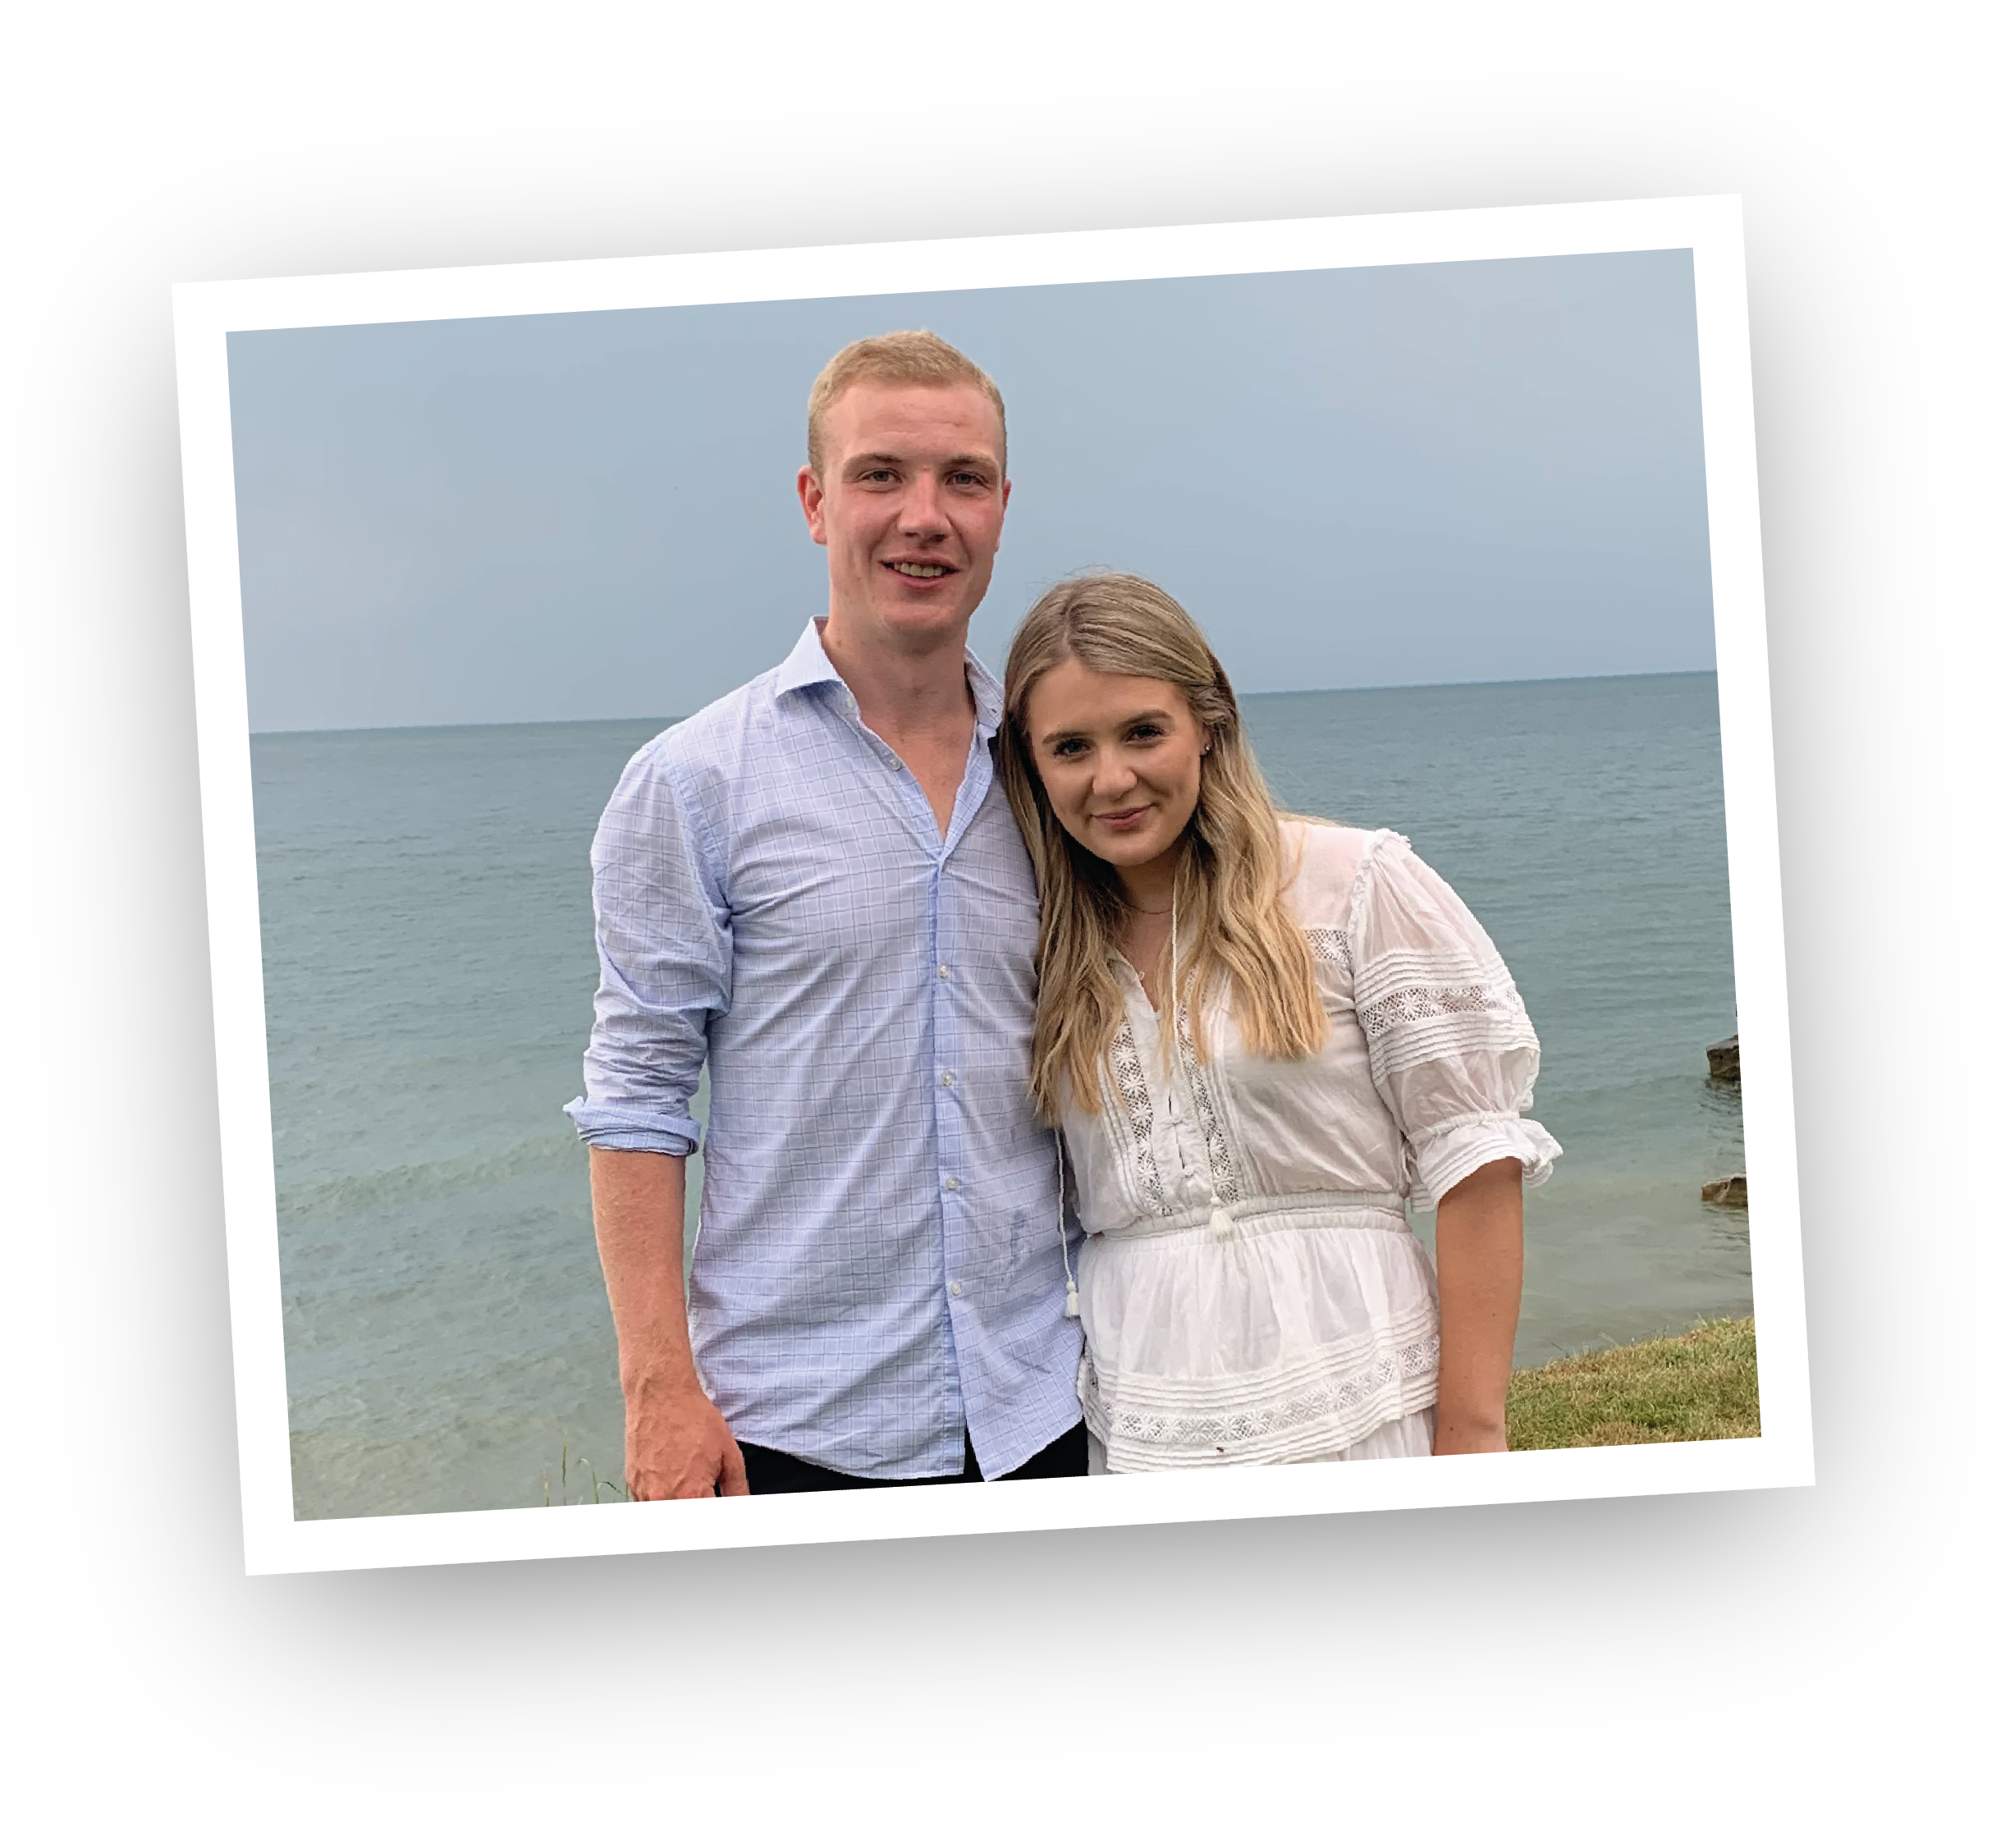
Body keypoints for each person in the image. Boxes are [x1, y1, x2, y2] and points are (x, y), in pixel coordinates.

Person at [564, 332, 1087, 1497]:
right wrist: (657, 1389)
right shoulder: (695, 782)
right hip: (794, 1431)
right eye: (879, 475)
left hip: (1047, 1407)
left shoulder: (1055, 774)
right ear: (814, 502)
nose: (924, 517)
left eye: (962, 479)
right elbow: (638, 1092)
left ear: (1002, 508)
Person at [996, 574, 1560, 1471]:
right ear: (1031, 765)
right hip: (1144, 1416)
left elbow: (1476, 1161)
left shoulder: (1352, 884)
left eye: (1143, 731)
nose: (1113, 778)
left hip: (1364, 1392)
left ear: (1207, 722)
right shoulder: (1036, 946)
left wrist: (1472, 1433)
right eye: (1071, 747)